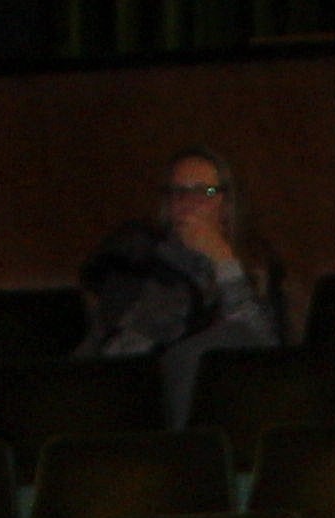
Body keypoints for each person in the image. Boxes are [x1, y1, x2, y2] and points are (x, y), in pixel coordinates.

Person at [85, 143, 286, 410]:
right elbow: (118, 355)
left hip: (232, 406)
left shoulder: (253, 264)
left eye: (204, 192)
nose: (189, 204)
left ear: (226, 204)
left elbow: (264, 348)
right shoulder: (139, 260)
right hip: (140, 399)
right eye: (179, 192)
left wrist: (224, 262)